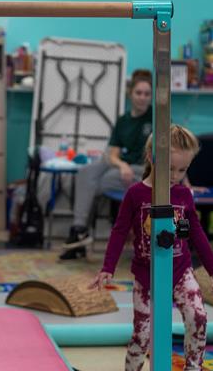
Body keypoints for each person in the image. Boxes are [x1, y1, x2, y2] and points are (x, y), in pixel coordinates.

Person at [89, 125, 213, 371]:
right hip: (146, 275)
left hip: (180, 271)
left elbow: (193, 231)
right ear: (153, 158)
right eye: (171, 169)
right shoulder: (136, 194)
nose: (175, 177)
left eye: (182, 170)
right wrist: (107, 268)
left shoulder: (183, 196)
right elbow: (119, 231)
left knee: (197, 316)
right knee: (143, 331)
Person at [60, 69, 153, 260]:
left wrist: (185, 181)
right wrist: (121, 165)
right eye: (138, 93)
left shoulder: (156, 118)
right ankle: (79, 229)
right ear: (130, 94)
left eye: (147, 94)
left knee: (100, 180)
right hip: (122, 165)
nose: (142, 98)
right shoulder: (123, 121)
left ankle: (80, 233)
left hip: (142, 170)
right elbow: (113, 154)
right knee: (85, 172)